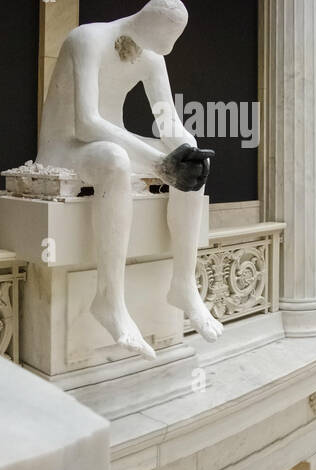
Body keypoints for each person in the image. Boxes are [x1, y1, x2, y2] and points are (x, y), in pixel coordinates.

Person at [35, 0, 220, 359]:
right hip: (65, 146)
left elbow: (168, 125)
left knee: (188, 154)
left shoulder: (151, 57)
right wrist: (159, 162)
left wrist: (186, 151)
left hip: (109, 141)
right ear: (150, 24)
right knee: (116, 159)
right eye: (165, 41)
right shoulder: (87, 39)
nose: (164, 52)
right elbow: (87, 121)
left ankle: (183, 284)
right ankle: (109, 300)